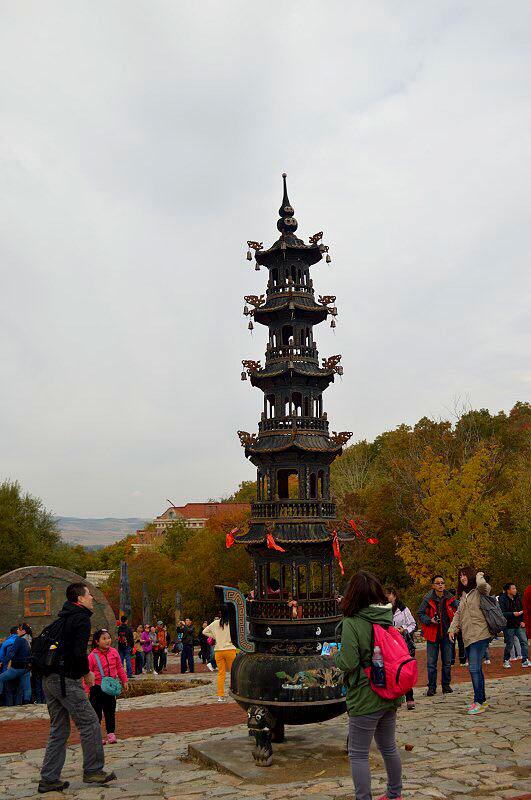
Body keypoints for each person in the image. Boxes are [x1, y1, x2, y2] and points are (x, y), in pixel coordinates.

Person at [38, 582, 116, 794]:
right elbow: (78, 651)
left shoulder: (61, 619)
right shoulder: (81, 619)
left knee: (59, 728)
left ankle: (49, 778)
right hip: (65, 680)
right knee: (89, 722)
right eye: (89, 594)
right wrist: (86, 673)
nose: (92, 597)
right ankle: (93, 770)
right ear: (80, 599)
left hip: (49, 679)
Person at [334, 571, 403, 800]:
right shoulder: (385, 617)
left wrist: (334, 656)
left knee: (358, 754)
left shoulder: (352, 623)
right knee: (389, 747)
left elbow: (349, 662)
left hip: (365, 695)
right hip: (389, 693)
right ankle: (394, 794)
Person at [448, 568, 491, 715]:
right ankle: (482, 700)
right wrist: (452, 629)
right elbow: (459, 613)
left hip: (480, 634)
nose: (462, 578)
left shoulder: (479, 590)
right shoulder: (463, 595)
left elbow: (482, 586)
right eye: (460, 576)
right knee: (477, 668)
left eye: (465, 575)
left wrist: (479, 575)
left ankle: (478, 701)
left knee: (473, 668)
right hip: (468, 637)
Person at [86, 629, 128, 744]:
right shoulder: (92, 656)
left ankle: (111, 734)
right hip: (97, 688)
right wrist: (86, 690)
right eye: (104, 639)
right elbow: (87, 674)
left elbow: (119, 667)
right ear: (97, 641)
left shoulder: (114, 652)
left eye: (108, 638)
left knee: (110, 711)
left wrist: (124, 680)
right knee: (96, 713)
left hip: (111, 687)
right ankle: (97, 736)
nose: (107, 641)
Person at [418, 575, 458, 696]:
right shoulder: (427, 598)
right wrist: (430, 620)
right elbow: (420, 613)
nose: (440, 585)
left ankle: (446, 685)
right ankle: (432, 687)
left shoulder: (450, 597)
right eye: (437, 583)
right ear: (433, 585)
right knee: (431, 663)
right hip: (432, 634)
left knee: (447, 662)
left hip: (447, 634)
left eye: (442, 583)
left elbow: (460, 609)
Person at [384, 587, 417, 710]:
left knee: (405, 671)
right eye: (385, 595)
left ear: (394, 596)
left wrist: (404, 630)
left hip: (402, 644)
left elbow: (413, 624)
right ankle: (395, 698)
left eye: (389, 594)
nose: (387, 597)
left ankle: (410, 697)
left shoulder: (403, 610)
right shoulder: (381, 610)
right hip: (388, 644)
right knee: (391, 671)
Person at [202, 605, 237, 701]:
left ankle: (220, 696)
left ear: (220, 613)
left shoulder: (215, 623)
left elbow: (204, 631)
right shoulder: (232, 623)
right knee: (233, 673)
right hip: (230, 649)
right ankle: (235, 692)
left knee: (221, 674)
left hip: (218, 650)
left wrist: (215, 636)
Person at [498, 583, 529, 669]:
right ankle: (506, 660)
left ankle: (525, 660)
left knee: (524, 641)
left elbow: (522, 609)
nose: (515, 590)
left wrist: (523, 621)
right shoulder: (502, 599)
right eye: (513, 589)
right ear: (508, 590)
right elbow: (502, 613)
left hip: (518, 623)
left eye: (515, 588)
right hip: (508, 625)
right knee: (510, 644)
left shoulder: (517, 598)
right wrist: (512, 614)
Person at [0, 624, 31, 706]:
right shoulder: (29, 639)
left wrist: (3, 662)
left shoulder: (19, 640)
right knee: (24, 688)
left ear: (23, 631)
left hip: (17, 668)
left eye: (19, 629)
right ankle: (25, 704)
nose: (18, 631)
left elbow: (11, 653)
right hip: (27, 667)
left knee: (1, 679)